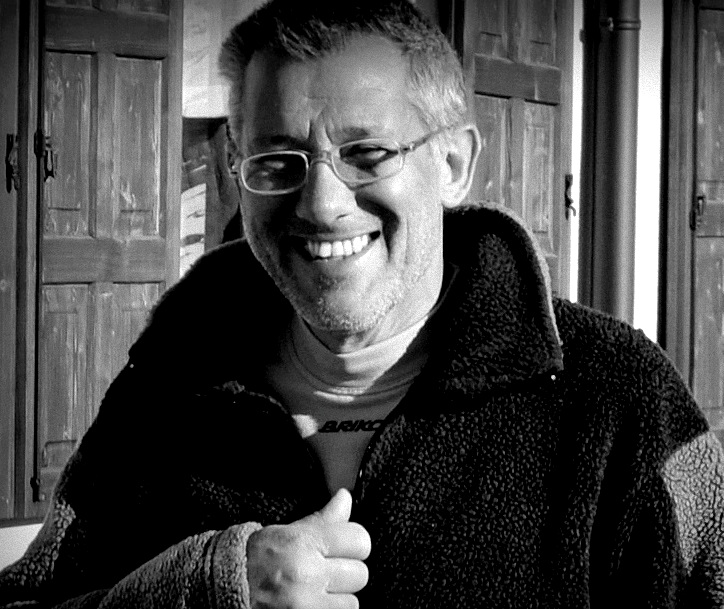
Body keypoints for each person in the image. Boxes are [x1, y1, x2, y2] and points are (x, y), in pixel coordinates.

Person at [1, 1, 723, 607]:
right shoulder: (163, 391)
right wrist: (204, 588)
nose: (321, 203)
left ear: (454, 163)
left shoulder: (617, 398)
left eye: (368, 153)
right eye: (277, 160)